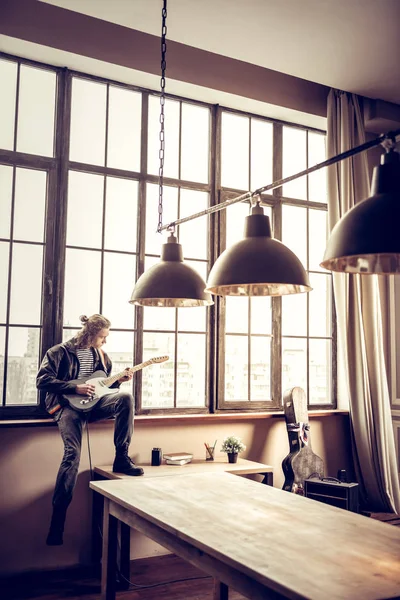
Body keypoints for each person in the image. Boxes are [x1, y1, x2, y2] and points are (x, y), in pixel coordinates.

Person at [36, 314, 143, 546]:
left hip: (93, 406)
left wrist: (120, 380)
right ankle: (57, 523)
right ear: (91, 334)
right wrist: (75, 388)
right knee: (72, 456)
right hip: (66, 407)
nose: (105, 341)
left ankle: (122, 458)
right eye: (102, 337)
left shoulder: (102, 357)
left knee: (125, 397)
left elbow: (102, 385)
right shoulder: (58, 352)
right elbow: (42, 381)